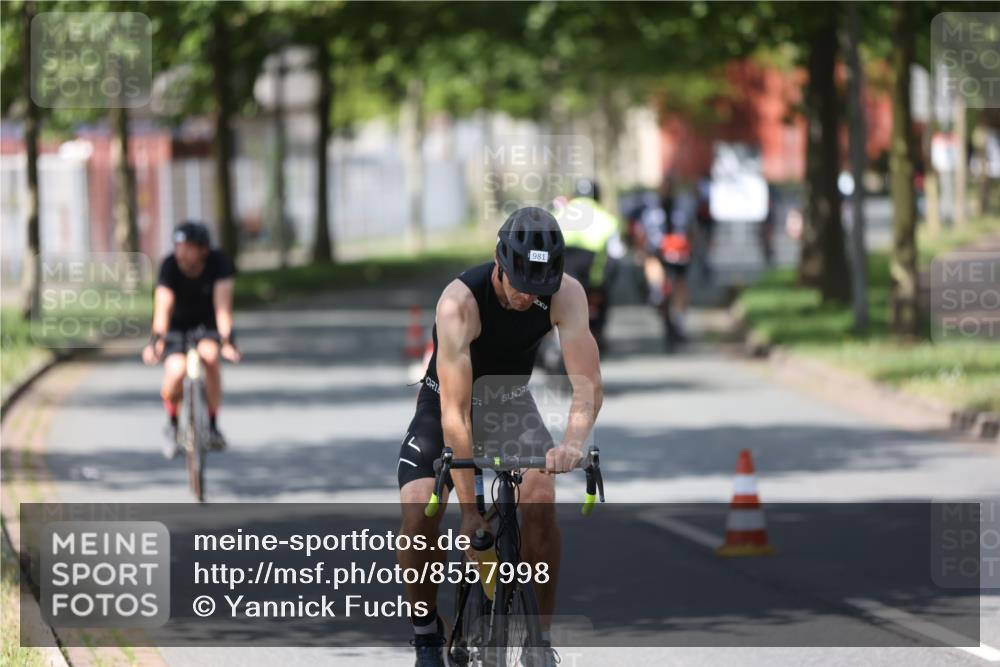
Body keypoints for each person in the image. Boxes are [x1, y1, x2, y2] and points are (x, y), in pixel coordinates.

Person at [396, 207, 603, 667]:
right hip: (445, 406)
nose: (530, 295)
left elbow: (587, 383)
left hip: (509, 402)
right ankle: (427, 634)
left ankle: (539, 639)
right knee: (419, 510)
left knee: (540, 495)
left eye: (540, 286)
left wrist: (571, 441)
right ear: (498, 262)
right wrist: (468, 511)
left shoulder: (566, 293)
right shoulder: (459, 304)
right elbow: (455, 414)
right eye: (520, 283)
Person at [142, 221, 241, 459]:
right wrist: (156, 340)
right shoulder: (169, 266)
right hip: (177, 327)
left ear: (203, 249)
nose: (181, 252)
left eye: (188, 247)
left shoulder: (219, 263)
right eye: (178, 246)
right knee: (176, 372)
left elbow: (222, 308)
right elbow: (163, 307)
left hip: (207, 325)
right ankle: (173, 424)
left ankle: (214, 425)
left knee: (210, 358)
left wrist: (227, 341)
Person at [555, 178, 625, 351]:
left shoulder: (557, 216)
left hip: (558, 281)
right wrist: (604, 285)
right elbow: (616, 256)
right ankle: (598, 334)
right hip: (591, 284)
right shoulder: (609, 220)